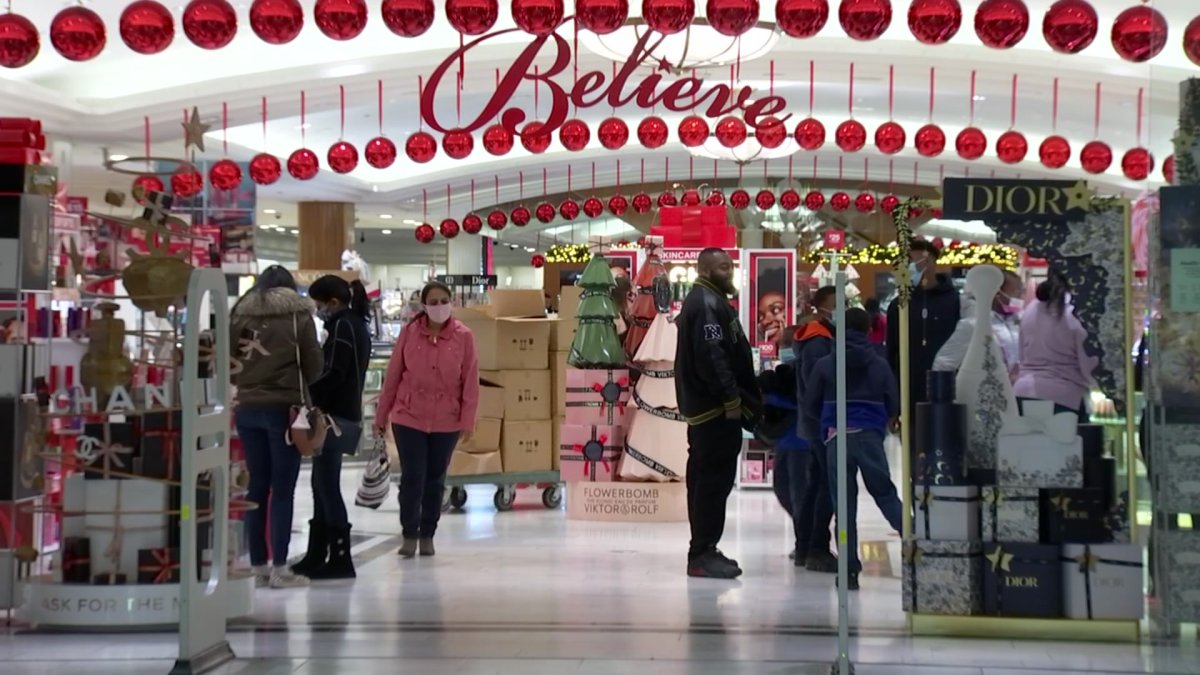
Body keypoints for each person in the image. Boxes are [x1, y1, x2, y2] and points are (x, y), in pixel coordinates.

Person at [230, 265, 324, 589]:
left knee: (256, 487)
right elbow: (314, 365)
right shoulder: (299, 318)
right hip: (285, 410)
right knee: (282, 489)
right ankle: (280, 568)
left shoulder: (239, 316)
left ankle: (257, 565)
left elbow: (228, 361)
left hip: (246, 408)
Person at [375, 281, 479, 559]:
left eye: (444, 300)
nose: (439, 306)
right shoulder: (409, 334)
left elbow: (470, 382)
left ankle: (427, 533)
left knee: (435, 480)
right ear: (423, 306)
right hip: (408, 417)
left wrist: (468, 420)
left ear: (451, 302)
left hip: (447, 420)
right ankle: (409, 532)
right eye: (433, 302)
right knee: (413, 477)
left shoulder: (464, 337)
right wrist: (381, 414)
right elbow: (394, 375)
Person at [675, 248, 762, 579]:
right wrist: (731, 400)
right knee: (713, 481)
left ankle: (703, 547)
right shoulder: (708, 304)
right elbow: (713, 356)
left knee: (704, 480)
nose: (729, 272)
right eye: (723, 267)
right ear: (706, 269)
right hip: (714, 412)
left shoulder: (707, 300)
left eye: (730, 266)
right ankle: (702, 552)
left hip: (705, 410)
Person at [803, 308, 904, 591]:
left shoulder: (825, 364)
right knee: (885, 494)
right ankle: (916, 547)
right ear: (870, 329)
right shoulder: (880, 363)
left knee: (844, 507)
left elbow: (810, 405)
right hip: (870, 437)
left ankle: (848, 570)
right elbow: (893, 403)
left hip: (837, 439)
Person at [290, 275, 373, 580]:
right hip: (342, 413)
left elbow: (336, 372)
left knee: (326, 486)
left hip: (333, 417)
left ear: (333, 302)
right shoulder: (355, 325)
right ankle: (317, 553)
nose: (319, 309)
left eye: (320, 303)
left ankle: (339, 557)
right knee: (320, 485)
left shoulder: (343, 327)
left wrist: (309, 394)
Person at [886, 240, 961, 433]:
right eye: (912, 262)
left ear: (934, 261)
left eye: (924, 261)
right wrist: (892, 403)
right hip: (909, 391)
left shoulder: (956, 302)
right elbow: (891, 352)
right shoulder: (899, 305)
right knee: (913, 448)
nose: (919, 267)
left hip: (948, 389)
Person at [792, 286, 838, 573]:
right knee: (824, 486)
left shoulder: (822, 335)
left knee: (816, 484)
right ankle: (816, 548)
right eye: (837, 302)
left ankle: (806, 546)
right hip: (821, 423)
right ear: (822, 306)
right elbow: (816, 385)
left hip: (817, 422)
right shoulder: (818, 339)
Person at [1013, 270, 1097, 421]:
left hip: (1022, 393)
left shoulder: (1031, 308)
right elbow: (1088, 365)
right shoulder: (1076, 312)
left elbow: (1021, 354)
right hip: (1064, 399)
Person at [932, 269, 1023, 376]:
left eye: (1021, 292)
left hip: (1015, 389)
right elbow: (943, 364)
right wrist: (941, 391)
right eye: (1015, 292)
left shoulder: (1017, 322)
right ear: (997, 293)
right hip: (983, 389)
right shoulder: (973, 325)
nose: (1020, 297)